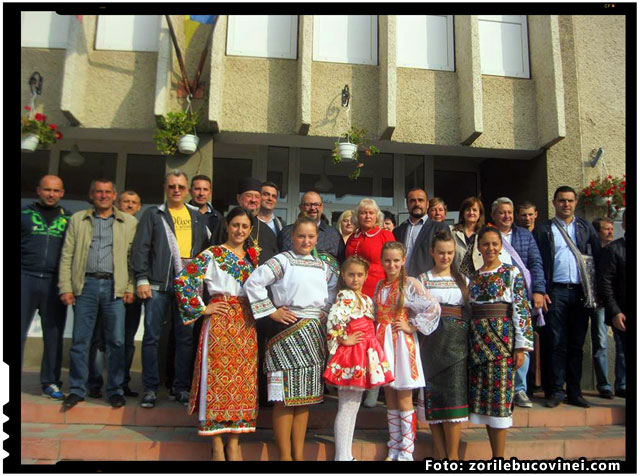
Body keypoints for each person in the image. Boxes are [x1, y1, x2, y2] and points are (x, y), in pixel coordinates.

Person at [245, 216, 338, 461]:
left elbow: (330, 294)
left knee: (303, 400)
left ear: (317, 238)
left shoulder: (323, 266)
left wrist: (324, 314)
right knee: (284, 399)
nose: (306, 240)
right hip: (286, 332)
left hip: (312, 334)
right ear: (292, 237)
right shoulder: (282, 261)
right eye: (301, 236)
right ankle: (285, 457)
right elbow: (253, 283)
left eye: (311, 236)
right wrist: (271, 310)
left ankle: (299, 455)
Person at [174, 207, 259, 461]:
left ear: (250, 230)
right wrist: (203, 307)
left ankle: (234, 441)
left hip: (245, 325)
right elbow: (183, 280)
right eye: (235, 225)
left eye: (244, 226)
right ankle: (217, 444)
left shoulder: (253, 259)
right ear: (227, 225)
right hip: (220, 323)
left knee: (241, 384)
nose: (239, 230)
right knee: (217, 381)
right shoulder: (213, 254)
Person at [131, 170, 209, 409]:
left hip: (187, 287)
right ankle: (151, 388)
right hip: (157, 285)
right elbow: (141, 248)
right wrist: (141, 278)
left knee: (185, 339)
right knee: (152, 338)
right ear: (165, 188)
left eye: (181, 187)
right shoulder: (154, 214)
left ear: (187, 190)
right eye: (172, 186)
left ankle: (181, 388)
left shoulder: (197, 216)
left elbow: (206, 251)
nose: (177, 190)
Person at [58, 178, 138, 409]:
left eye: (107, 192)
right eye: (98, 192)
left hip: (115, 287)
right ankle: (76, 389)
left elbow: (133, 259)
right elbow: (67, 255)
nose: (103, 196)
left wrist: (130, 287)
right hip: (86, 286)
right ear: (92, 195)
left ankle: (114, 389)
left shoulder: (129, 222)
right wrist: (66, 287)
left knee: (116, 341)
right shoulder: (78, 219)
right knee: (81, 341)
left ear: (114, 196)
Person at [468, 226, 534, 458]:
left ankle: (499, 458)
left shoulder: (511, 272)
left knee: (500, 401)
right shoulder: (474, 276)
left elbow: (521, 310)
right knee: (486, 403)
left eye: (495, 244)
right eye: (485, 244)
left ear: (501, 246)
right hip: (478, 345)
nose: (490, 248)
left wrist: (521, 346)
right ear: (478, 247)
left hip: (502, 343)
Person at [533, 186, 601, 408]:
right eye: (562, 200)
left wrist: (595, 292)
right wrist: (541, 290)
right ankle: (555, 391)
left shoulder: (585, 228)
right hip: (556, 292)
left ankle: (574, 391)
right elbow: (537, 263)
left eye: (570, 201)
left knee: (576, 344)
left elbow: (597, 259)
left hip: (581, 293)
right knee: (555, 343)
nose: (566, 204)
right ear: (554, 202)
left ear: (575, 202)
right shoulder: (544, 229)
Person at [323, 255, 394, 461]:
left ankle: (345, 454)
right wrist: (344, 338)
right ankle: (342, 456)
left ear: (365, 277)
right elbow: (333, 319)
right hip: (352, 353)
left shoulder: (364, 298)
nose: (355, 279)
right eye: (351, 275)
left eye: (359, 275)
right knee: (347, 405)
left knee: (352, 405)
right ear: (343, 276)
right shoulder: (345, 296)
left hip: (364, 350)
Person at [375, 241, 440, 461]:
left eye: (396, 260)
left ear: (403, 261)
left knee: (403, 395)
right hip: (384, 344)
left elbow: (433, 307)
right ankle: (394, 445)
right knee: (390, 396)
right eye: (387, 260)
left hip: (401, 344)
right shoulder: (380, 285)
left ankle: (406, 451)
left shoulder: (409, 283)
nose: (391, 264)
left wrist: (411, 325)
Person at [417, 230, 469, 460]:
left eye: (449, 253)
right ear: (432, 253)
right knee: (433, 399)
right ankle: (439, 455)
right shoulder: (422, 279)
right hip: (431, 344)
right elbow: (416, 311)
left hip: (457, 346)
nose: (445, 257)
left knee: (454, 399)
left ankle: (453, 456)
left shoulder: (463, 280)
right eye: (441, 252)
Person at [490, 197, 546, 408]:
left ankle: (519, 389)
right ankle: (499, 386)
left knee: (522, 341)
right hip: (495, 297)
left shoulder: (524, 235)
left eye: (509, 212)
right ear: (494, 215)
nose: (507, 216)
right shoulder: (487, 236)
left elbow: (536, 263)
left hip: (521, 296)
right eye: (502, 212)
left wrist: (539, 290)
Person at [88, 190, 143, 398]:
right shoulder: (108, 226)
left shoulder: (140, 229)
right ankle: (94, 382)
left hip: (132, 293)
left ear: (139, 207)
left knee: (125, 341)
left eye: (134, 202)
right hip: (109, 289)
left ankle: (122, 382)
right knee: (99, 339)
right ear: (117, 204)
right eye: (126, 202)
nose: (129, 205)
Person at [21, 175, 71, 400]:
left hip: (54, 281)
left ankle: (50, 382)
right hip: (25, 277)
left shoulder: (69, 218)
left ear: (61, 193)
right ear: (38, 190)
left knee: (53, 333)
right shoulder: (23, 214)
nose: (51, 194)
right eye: (47, 190)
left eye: (56, 191)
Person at [597, 210, 626, 399]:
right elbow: (605, 283)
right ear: (623, 225)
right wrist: (615, 311)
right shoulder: (613, 250)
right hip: (622, 312)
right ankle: (622, 386)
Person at [345, 198, 395, 298]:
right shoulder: (353, 236)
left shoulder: (385, 235)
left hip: (377, 291)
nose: (368, 216)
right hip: (352, 291)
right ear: (357, 216)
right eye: (363, 213)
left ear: (376, 216)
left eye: (371, 213)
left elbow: (394, 265)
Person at [393, 188, 449, 278]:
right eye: (412, 201)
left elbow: (445, 258)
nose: (417, 204)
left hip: (427, 283)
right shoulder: (398, 231)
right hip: (401, 282)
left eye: (420, 200)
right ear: (407, 205)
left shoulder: (439, 228)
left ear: (427, 204)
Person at [278, 190, 345, 263]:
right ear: (300, 207)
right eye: (308, 204)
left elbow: (342, 263)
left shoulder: (334, 234)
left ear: (321, 207)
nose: (312, 208)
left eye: (316, 204)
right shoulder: (286, 232)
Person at [589, 217, 616, 398]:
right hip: (590, 299)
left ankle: (611, 384)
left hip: (607, 301)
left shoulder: (615, 249)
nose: (610, 232)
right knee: (598, 341)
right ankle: (603, 384)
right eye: (606, 229)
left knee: (605, 342)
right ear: (598, 232)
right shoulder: (591, 250)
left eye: (611, 228)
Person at [451, 196, 485, 279]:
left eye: (474, 210)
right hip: (457, 279)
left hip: (479, 279)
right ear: (463, 213)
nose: (471, 212)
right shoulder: (452, 231)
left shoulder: (484, 233)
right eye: (468, 210)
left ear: (480, 213)